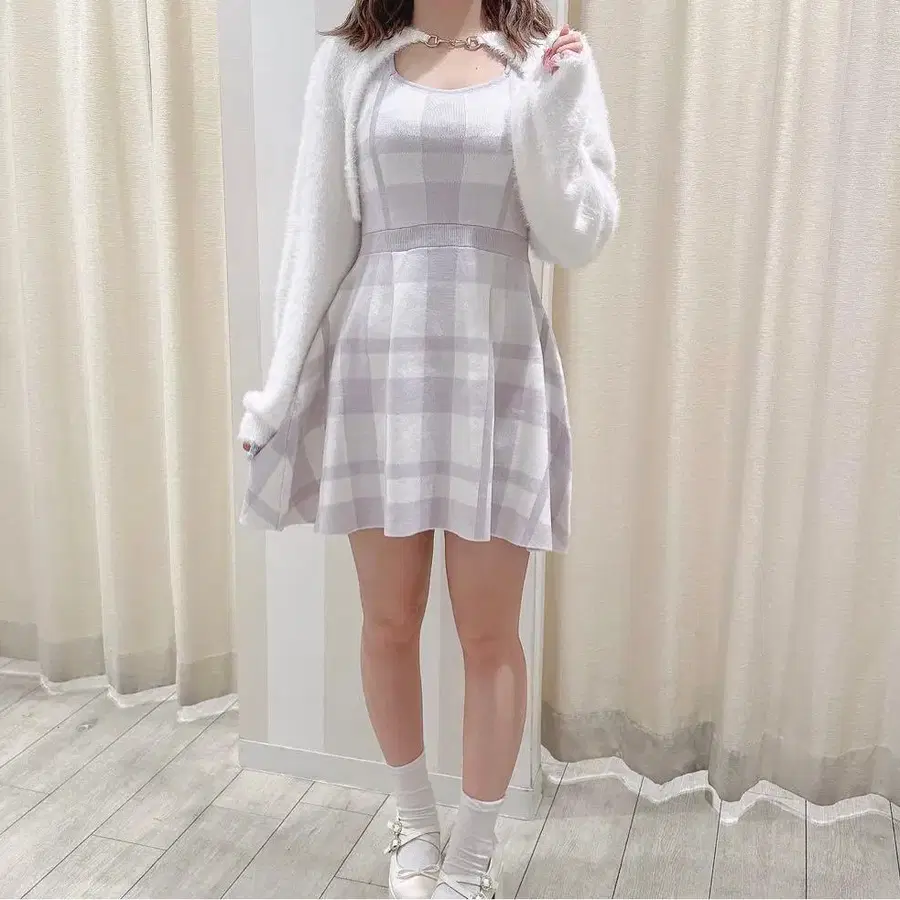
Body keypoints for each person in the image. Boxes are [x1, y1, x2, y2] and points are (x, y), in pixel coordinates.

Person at [239, 0, 617, 896]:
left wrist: (553, 112)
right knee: (387, 620)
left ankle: (473, 857)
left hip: (498, 365)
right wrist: (281, 384)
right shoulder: (352, 62)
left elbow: (576, 237)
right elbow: (318, 232)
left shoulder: (549, 58)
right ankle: (413, 823)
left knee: (489, 631)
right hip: (379, 360)